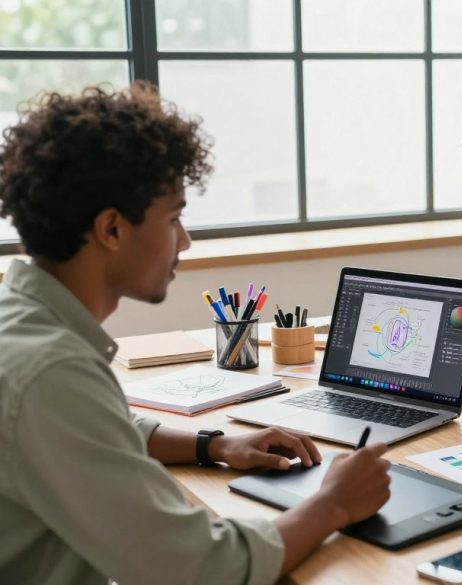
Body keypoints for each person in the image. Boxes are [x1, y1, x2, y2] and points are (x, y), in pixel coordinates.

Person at [0, 83, 391, 584]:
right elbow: (200, 569)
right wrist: (332, 504)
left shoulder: (23, 324)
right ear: (112, 229)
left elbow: (95, 435)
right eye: (175, 218)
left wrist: (214, 445)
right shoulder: (52, 373)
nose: (185, 240)